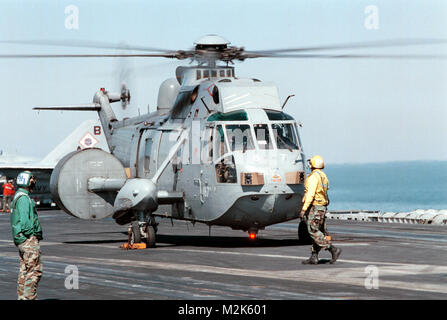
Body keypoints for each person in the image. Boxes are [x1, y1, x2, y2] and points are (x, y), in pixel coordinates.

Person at [300, 155, 341, 265]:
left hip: (315, 207)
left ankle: (333, 249)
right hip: (322, 207)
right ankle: (314, 256)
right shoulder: (323, 176)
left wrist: (304, 209)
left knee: (313, 230)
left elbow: (310, 194)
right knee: (321, 231)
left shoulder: (313, 177)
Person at [10, 171, 43, 300]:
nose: (33, 182)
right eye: (32, 180)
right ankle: (29, 298)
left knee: (25, 270)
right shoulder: (24, 198)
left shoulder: (19, 195)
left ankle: (23, 297)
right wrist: (30, 236)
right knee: (34, 270)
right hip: (28, 239)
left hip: (21, 239)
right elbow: (25, 222)